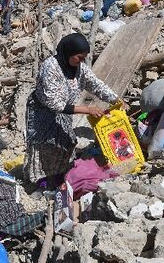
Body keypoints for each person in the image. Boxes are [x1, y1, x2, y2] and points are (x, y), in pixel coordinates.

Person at [23, 33, 121, 188]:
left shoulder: (79, 69)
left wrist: (116, 99)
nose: (82, 61)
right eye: (79, 57)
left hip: (65, 112)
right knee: (44, 145)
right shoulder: (50, 67)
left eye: (84, 58)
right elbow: (54, 103)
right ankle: (41, 181)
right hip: (42, 112)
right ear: (68, 52)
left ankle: (59, 177)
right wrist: (87, 110)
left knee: (66, 142)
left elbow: (96, 85)